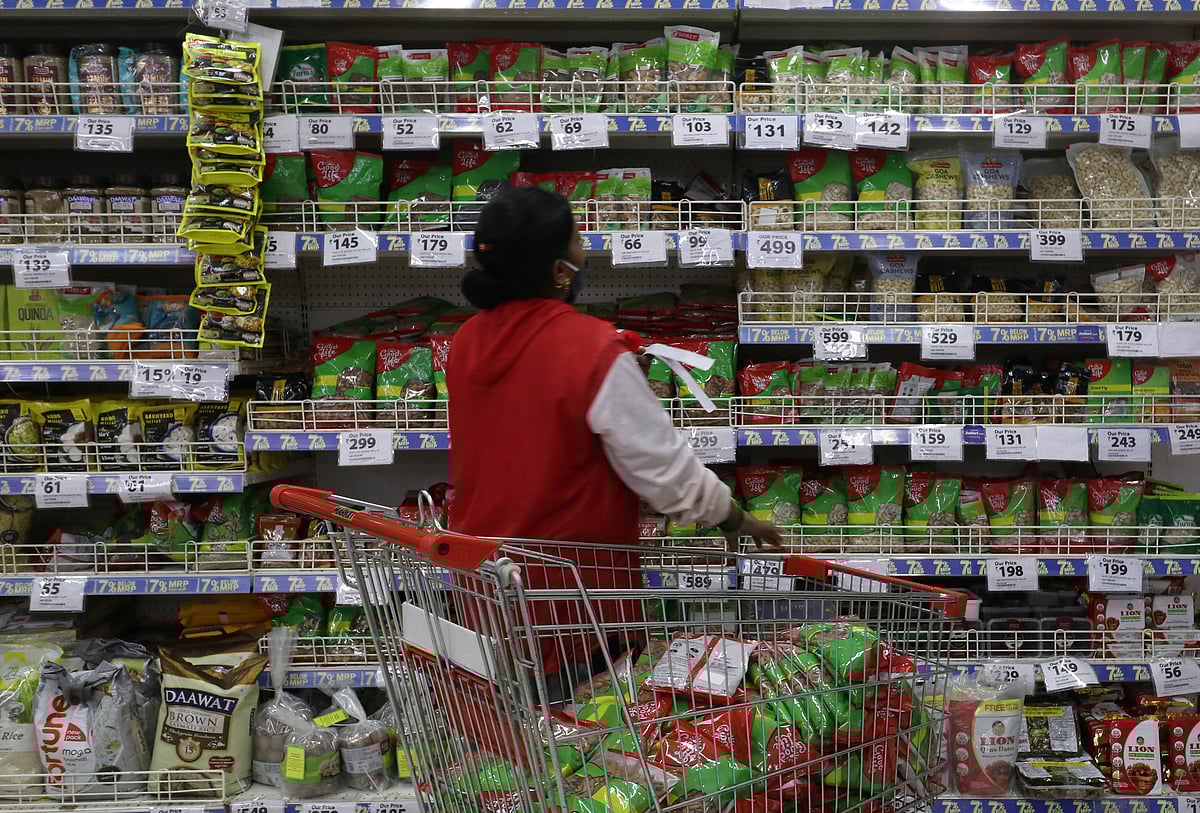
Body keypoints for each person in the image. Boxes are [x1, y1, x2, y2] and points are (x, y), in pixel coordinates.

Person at [446, 187, 783, 700]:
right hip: (574, 602)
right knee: (580, 753)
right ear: (560, 270)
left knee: (516, 753)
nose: (586, 248)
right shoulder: (590, 347)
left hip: (486, 591)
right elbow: (663, 470)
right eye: (578, 238)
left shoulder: (467, 340)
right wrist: (734, 517)